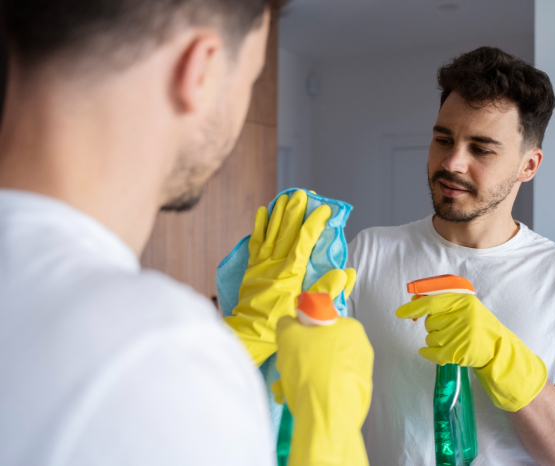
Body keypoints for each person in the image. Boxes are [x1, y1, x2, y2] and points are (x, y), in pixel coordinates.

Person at [0, 1, 372, 465]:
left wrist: (239, 342)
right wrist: (328, 431)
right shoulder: (164, 353)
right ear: (202, 70)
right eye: (251, 79)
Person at [346, 47, 555, 466]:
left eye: (482, 149)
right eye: (443, 139)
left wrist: (503, 360)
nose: (453, 162)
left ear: (528, 165)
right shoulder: (369, 252)